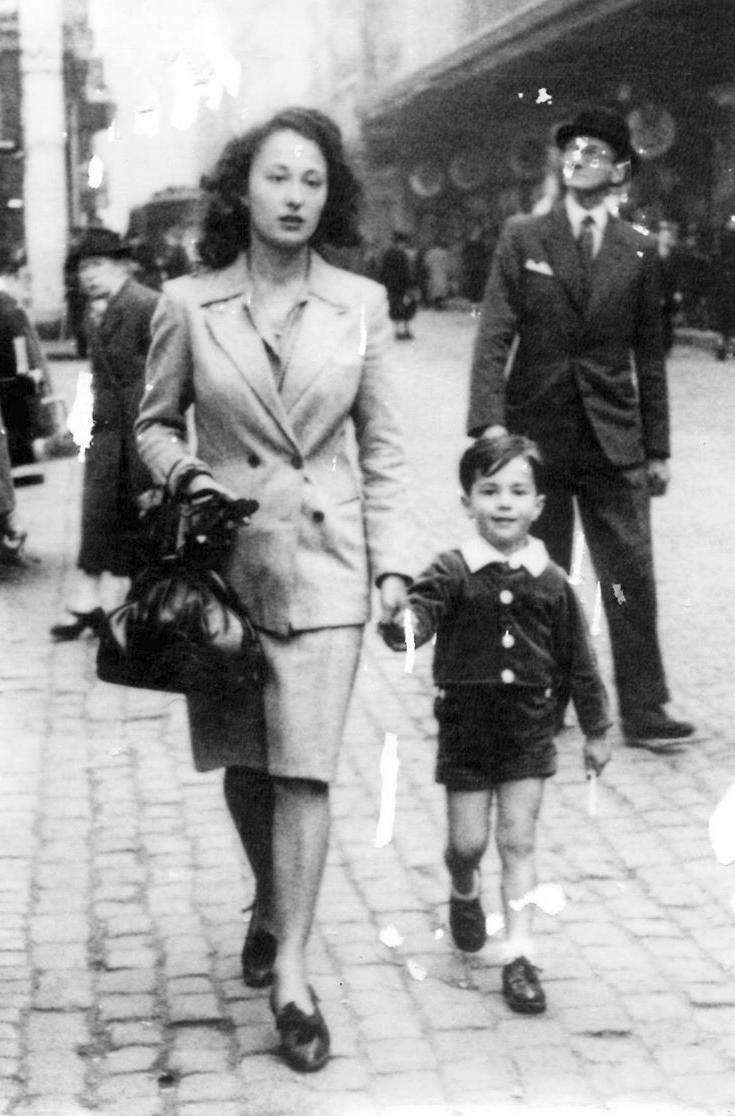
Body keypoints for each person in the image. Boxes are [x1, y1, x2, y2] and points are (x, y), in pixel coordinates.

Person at [134, 107, 412, 1073]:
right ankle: (270, 899)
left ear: (330, 198)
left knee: (303, 769)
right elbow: (153, 423)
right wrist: (184, 473)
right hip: (226, 571)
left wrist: (391, 566)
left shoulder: (361, 303)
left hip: (327, 564)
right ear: (241, 191)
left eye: (312, 181)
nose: (295, 197)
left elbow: (383, 447)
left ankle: (291, 969)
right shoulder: (188, 304)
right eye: (277, 178)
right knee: (246, 767)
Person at [467, 105, 694, 752]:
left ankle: (644, 710)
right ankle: (541, 701)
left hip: (613, 437)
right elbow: (494, 333)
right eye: (572, 150)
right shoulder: (523, 237)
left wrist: (656, 448)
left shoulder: (639, 249)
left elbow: (649, 357)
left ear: (620, 170)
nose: (580, 160)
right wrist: (488, 423)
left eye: (595, 151)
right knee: (541, 574)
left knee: (629, 575)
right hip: (536, 433)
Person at [380, 435, 610, 1014]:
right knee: (467, 844)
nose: (504, 503)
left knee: (518, 840)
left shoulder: (552, 579)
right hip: (466, 728)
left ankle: (520, 956)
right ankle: (464, 887)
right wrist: (400, 621)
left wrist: (597, 728)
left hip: (528, 730)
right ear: (468, 502)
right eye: (489, 491)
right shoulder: (452, 569)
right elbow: (418, 621)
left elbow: (579, 660)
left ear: (538, 505)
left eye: (518, 491)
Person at [50, 228, 160, 640]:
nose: (88, 275)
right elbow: (97, 376)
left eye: (96, 265)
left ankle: (137, 609)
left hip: (138, 428)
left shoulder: (146, 305)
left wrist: (150, 439)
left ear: (122, 266)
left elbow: (159, 377)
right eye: (82, 268)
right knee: (99, 515)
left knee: (140, 515)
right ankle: (90, 601)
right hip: (107, 432)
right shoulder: (96, 310)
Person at [377, 230, 418, 339]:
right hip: (398, 286)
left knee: (397, 308)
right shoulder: (400, 255)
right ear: (399, 243)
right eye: (403, 243)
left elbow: (383, 271)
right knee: (403, 308)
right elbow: (404, 272)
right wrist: (409, 283)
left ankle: (398, 330)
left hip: (391, 285)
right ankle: (402, 330)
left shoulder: (388, 254)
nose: (404, 245)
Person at [714, 214, 735, 360]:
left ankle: (724, 346)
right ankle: (724, 347)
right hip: (727, 284)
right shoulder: (725, 238)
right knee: (726, 317)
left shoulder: (724, 237)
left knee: (726, 318)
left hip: (726, 284)